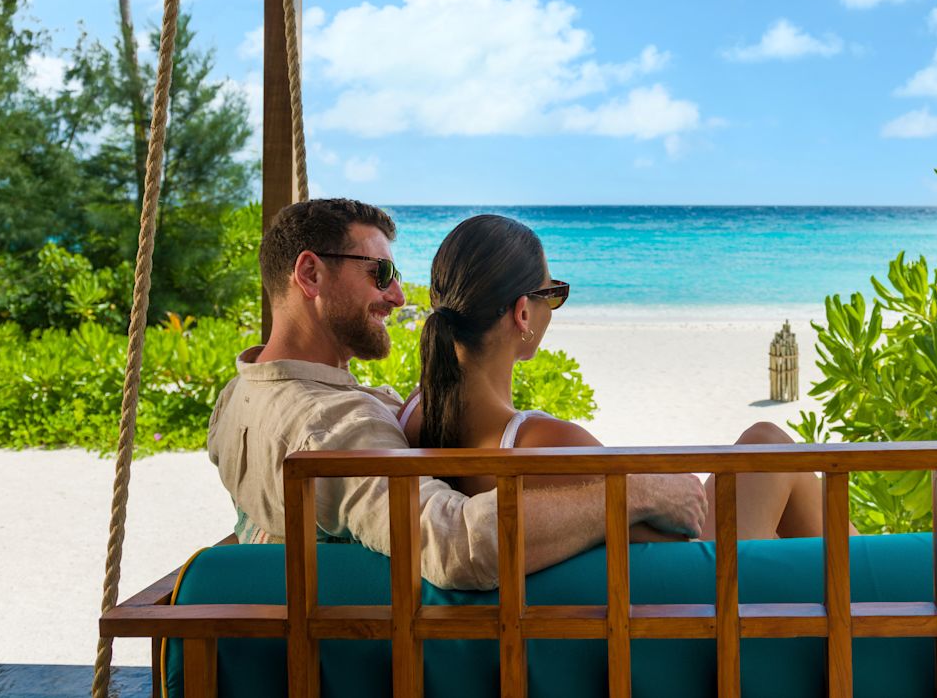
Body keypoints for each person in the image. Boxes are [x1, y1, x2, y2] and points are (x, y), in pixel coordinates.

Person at [207, 198, 707, 591]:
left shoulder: (239, 397)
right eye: (379, 273)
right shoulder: (340, 430)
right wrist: (637, 489)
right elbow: (456, 546)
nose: (399, 295)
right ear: (310, 274)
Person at [398, 213, 843, 541]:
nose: (553, 308)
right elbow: (679, 527)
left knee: (768, 448)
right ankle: (879, 594)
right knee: (770, 445)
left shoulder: (414, 413)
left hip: (604, 602)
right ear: (522, 314)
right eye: (553, 294)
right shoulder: (546, 444)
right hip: (687, 600)